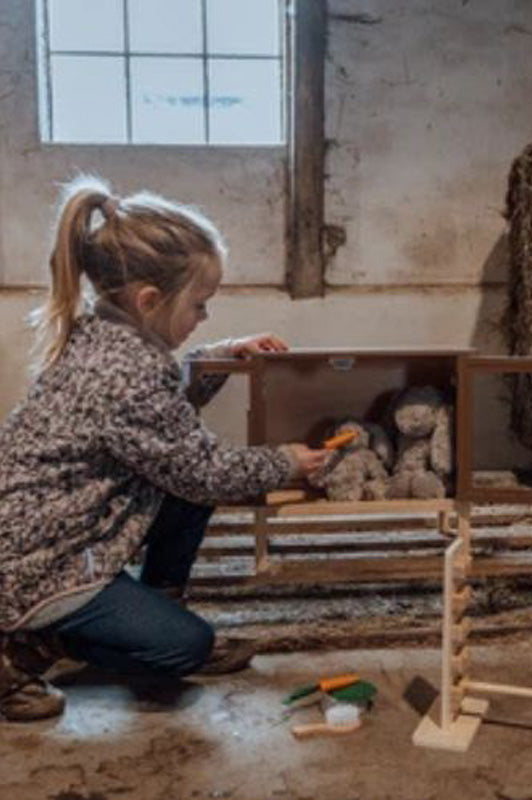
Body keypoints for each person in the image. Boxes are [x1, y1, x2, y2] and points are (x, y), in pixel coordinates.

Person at [0, 176, 328, 722]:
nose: (204, 317)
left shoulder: (107, 339)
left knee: (182, 488)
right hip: (38, 566)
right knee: (185, 648)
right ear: (149, 301)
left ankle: (146, 608)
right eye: (200, 305)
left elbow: (160, 422)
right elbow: (204, 470)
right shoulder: (124, 373)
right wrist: (286, 462)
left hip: (51, 534)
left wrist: (220, 355)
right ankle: (24, 647)